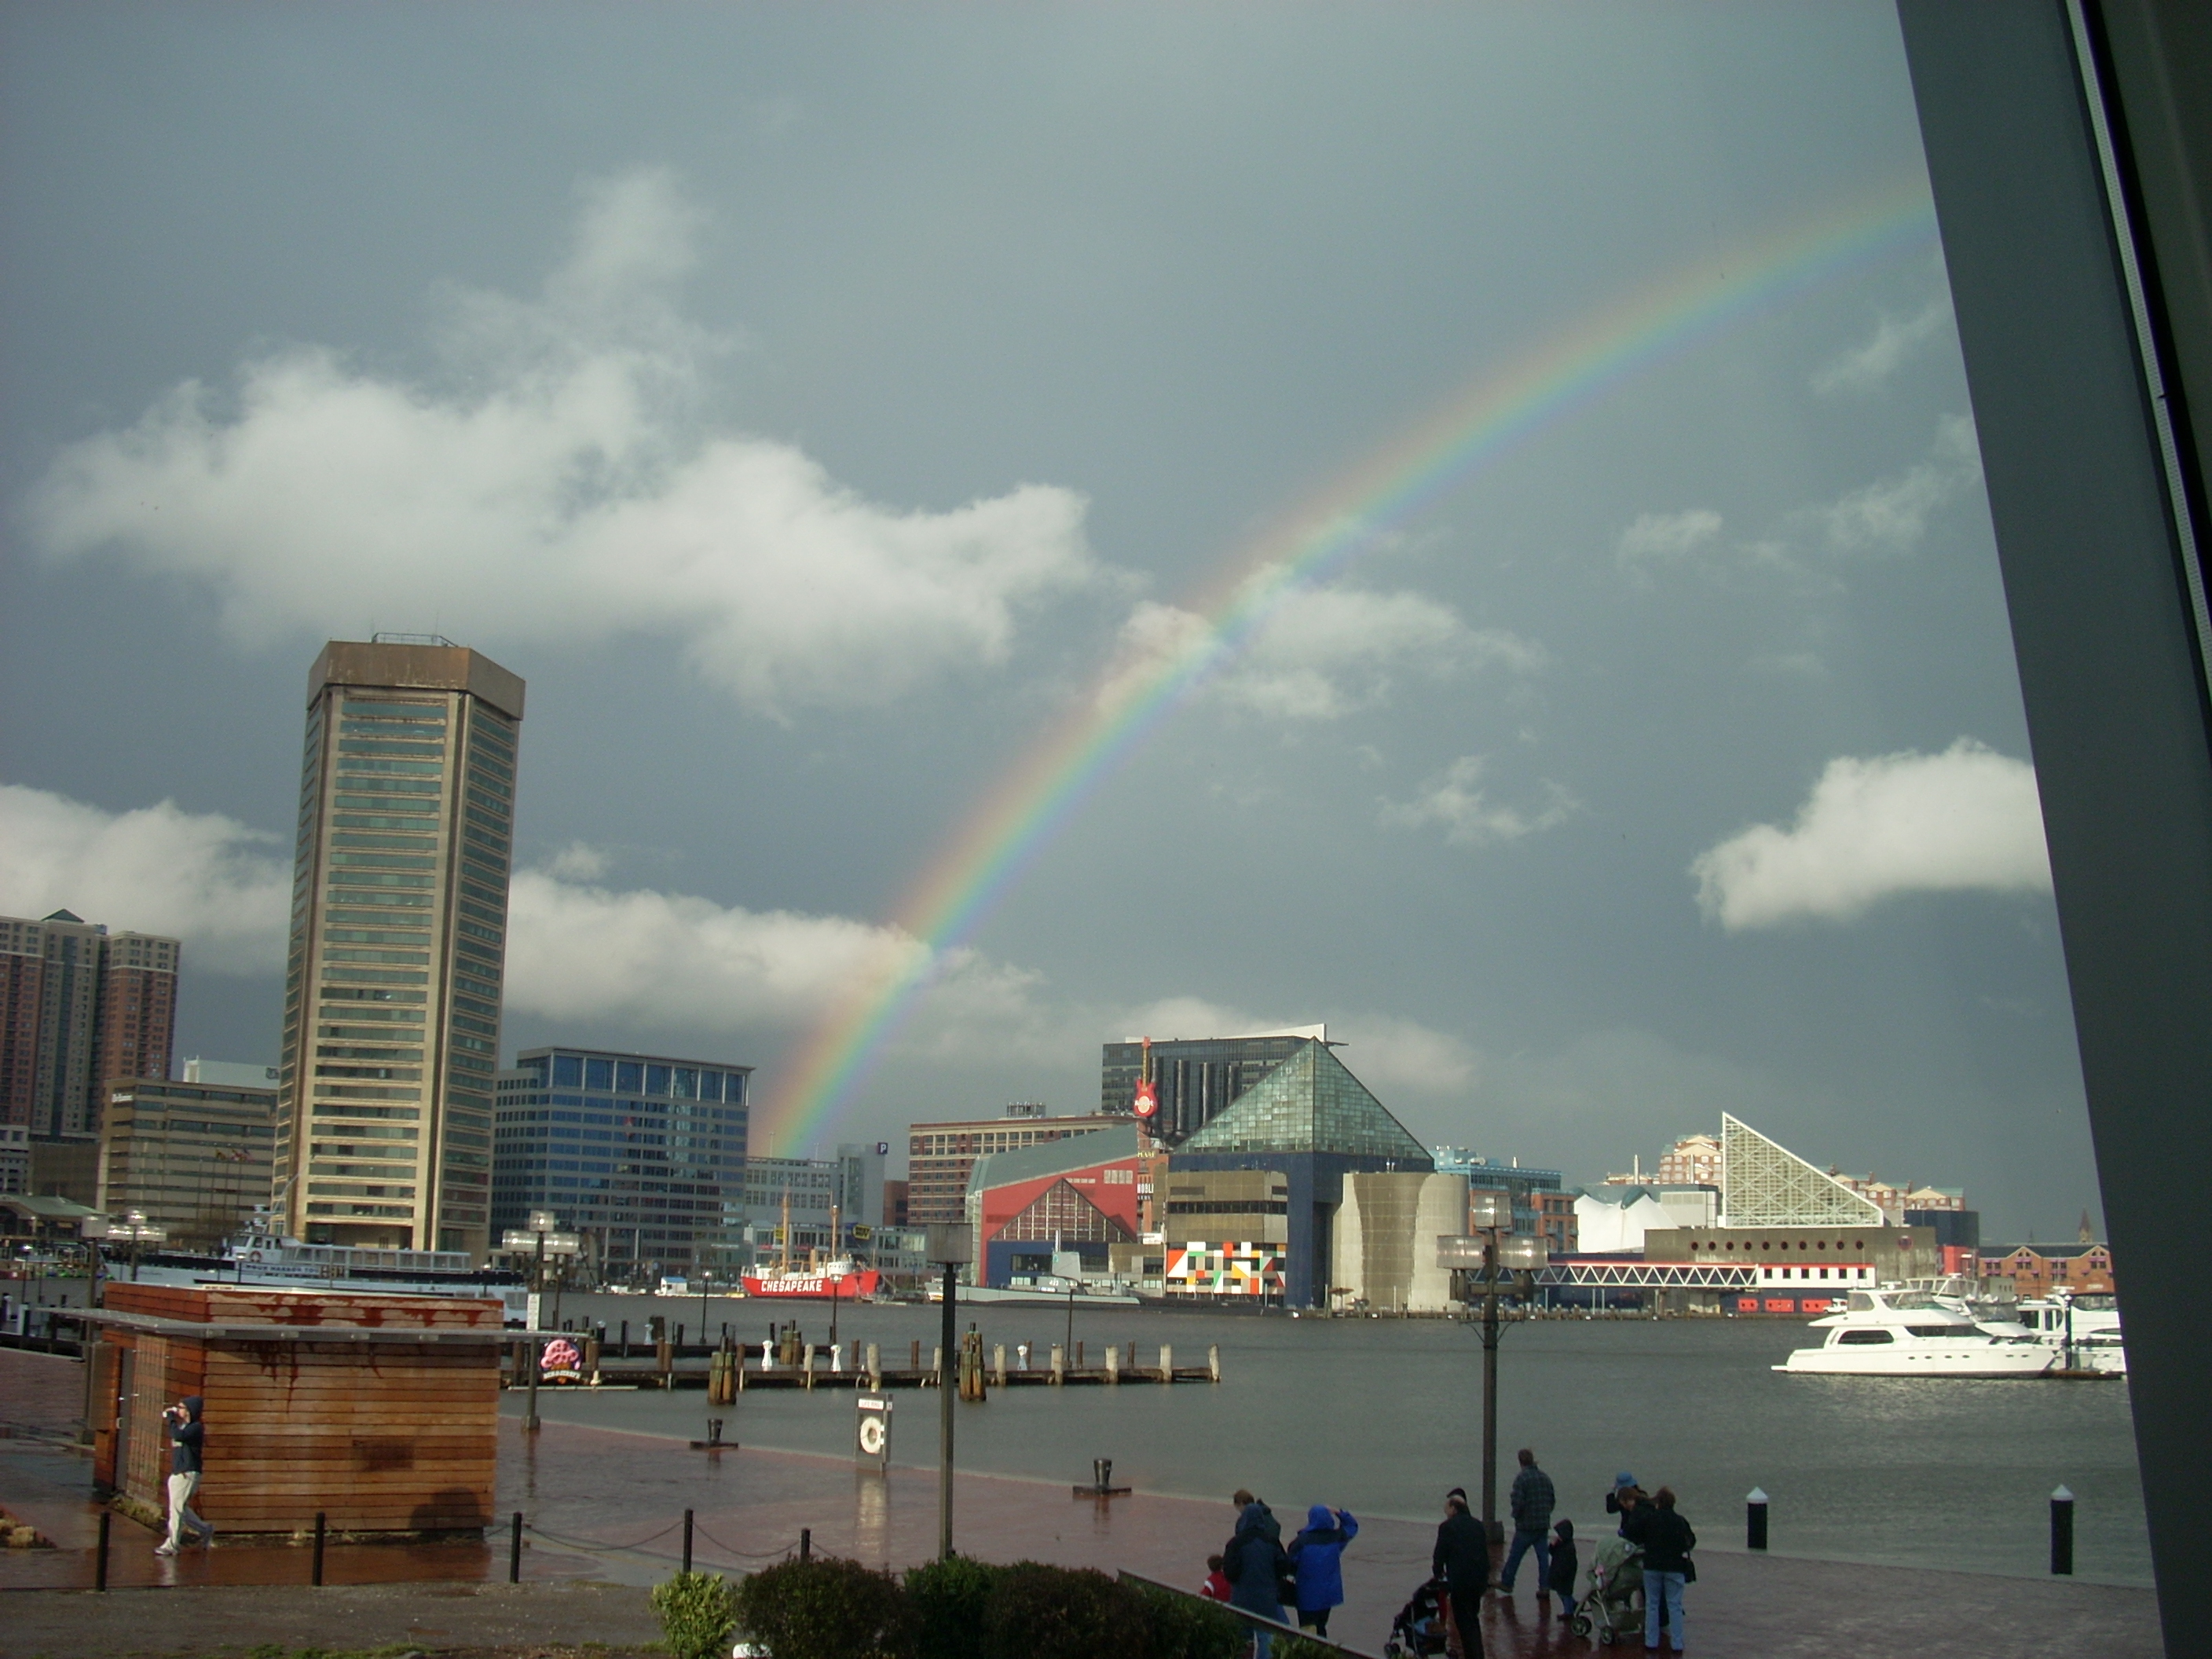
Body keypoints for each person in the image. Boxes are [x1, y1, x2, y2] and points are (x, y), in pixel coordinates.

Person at [1222, 1490, 1291, 1659]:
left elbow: (1229, 1572)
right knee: (1266, 1636)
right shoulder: (1272, 1541)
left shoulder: (1235, 1543)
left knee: (1242, 1638)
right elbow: (1283, 1567)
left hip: (1242, 1597)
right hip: (1266, 1598)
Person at [1287, 1503, 1358, 1639]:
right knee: (1321, 1627)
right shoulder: (1336, 1538)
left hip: (1307, 1596)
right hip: (1328, 1595)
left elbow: (1289, 1564)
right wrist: (1338, 1512)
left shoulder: (1301, 1542)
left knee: (1307, 1630)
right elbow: (1352, 1526)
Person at [1431, 1488, 1488, 1659]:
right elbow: (1484, 1554)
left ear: (1454, 1508)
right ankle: (1478, 1655)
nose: (1446, 1515)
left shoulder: (1447, 1527)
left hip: (1460, 1582)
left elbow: (1439, 1556)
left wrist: (1438, 1577)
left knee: (1464, 1623)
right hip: (1478, 1581)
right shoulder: (1478, 1525)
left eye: (1447, 1510)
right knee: (1473, 1620)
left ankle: (1473, 1656)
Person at [1637, 1489, 1694, 1654]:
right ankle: (1677, 1644)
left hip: (1652, 1566)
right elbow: (1691, 1542)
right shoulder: (1680, 1521)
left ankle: (1651, 1642)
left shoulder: (1649, 1519)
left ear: (1658, 1503)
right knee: (1674, 1605)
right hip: (1675, 1567)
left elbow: (1634, 1534)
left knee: (1652, 1604)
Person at [1496, 1448, 1555, 1599]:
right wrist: (1545, 1514)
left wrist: (1516, 1515)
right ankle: (1545, 1587)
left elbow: (1518, 1502)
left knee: (1515, 1555)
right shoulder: (1545, 1478)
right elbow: (1551, 1500)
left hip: (1526, 1526)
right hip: (1542, 1524)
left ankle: (1507, 1582)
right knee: (1543, 1558)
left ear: (1520, 1461)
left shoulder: (1521, 1479)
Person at [156, 1396, 211, 1555]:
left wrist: (171, 1418)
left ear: (189, 1411)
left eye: (181, 1408)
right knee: (180, 1509)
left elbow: (178, 1436)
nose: (178, 1410)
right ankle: (205, 1529)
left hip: (187, 1473)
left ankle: (172, 1544)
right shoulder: (184, 1426)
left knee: (176, 1510)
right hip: (178, 1472)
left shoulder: (195, 1428)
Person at [1547, 1518, 1579, 1621]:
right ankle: (1572, 1605)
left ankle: (1568, 1612)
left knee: (1565, 1593)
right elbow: (1552, 1552)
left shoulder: (1568, 1548)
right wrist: (1552, 1546)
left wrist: (1560, 1574)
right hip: (1559, 1573)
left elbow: (1567, 1563)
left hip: (1564, 1574)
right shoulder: (1562, 1544)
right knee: (1564, 1593)